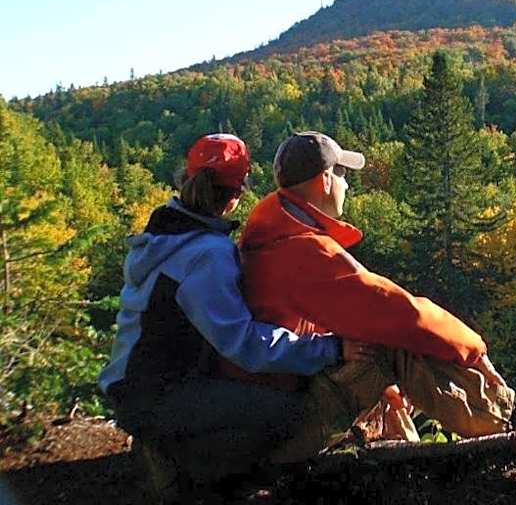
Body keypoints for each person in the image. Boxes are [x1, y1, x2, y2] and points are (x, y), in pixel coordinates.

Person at [229, 131, 516, 455]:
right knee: (393, 340)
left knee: (373, 345)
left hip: (271, 411)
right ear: (324, 180)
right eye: (343, 176)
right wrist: (474, 351)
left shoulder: (274, 238)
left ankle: (407, 443)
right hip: (282, 426)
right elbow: (396, 311)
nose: (347, 187)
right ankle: (505, 417)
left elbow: (319, 327)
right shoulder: (300, 250)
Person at [98, 134, 372, 501]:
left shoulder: (165, 234)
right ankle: (184, 472)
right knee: (288, 415)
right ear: (238, 192)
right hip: (157, 396)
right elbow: (243, 344)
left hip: (133, 387)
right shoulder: (206, 254)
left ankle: (178, 451)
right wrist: (331, 350)